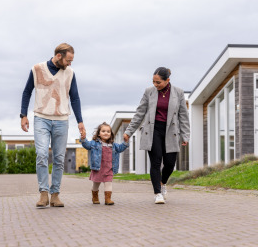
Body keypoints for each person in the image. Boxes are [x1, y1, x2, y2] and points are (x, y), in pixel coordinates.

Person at [20, 43, 86, 208]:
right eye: (68, 60)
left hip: (62, 119)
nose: (70, 63)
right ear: (58, 56)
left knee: (58, 159)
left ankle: (55, 194)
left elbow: (75, 98)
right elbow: (27, 91)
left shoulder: (70, 73)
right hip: (41, 117)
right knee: (41, 154)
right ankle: (43, 193)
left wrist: (80, 122)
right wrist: (23, 115)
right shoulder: (37, 69)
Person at [123, 67, 190, 204]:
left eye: (158, 82)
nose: (155, 85)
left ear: (167, 81)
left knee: (170, 164)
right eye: (153, 81)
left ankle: (163, 182)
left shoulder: (178, 92)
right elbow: (140, 112)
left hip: (171, 132)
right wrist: (129, 131)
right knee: (155, 162)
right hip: (153, 131)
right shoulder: (149, 92)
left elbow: (183, 115)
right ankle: (157, 193)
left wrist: (185, 135)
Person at [80, 122, 129, 205]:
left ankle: (108, 199)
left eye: (108, 131)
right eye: (103, 131)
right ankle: (95, 197)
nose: (106, 133)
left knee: (108, 183)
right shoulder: (94, 143)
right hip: (97, 168)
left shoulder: (113, 145)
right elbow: (86, 145)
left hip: (109, 168)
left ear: (111, 134)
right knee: (96, 184)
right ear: (99, 133)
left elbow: (121, 148)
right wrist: (83, 139)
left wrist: (125, 142)